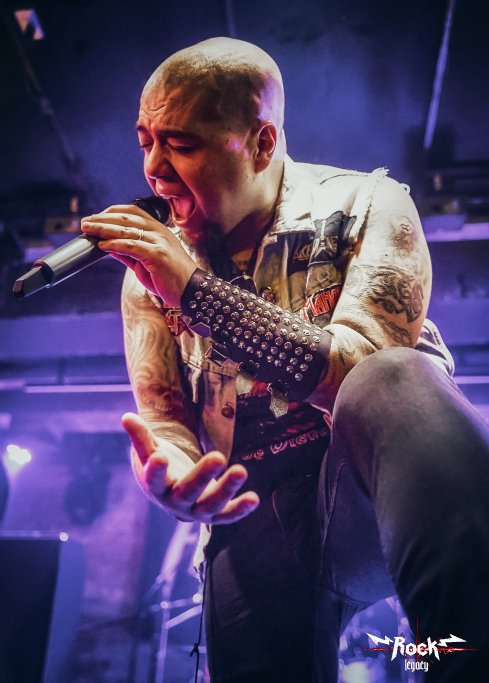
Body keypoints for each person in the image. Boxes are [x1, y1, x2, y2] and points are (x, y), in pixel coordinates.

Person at [80, 37, 489, 682]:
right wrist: (175, 472)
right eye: (145, 141)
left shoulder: (366, 205)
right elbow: (163, 418)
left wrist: (197, 293)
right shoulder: (148, 276)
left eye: (180, 144)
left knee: (397, 376)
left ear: (262, 143)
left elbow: (359, 372)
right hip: (253, 508)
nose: (154, 168)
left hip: (368, 486)